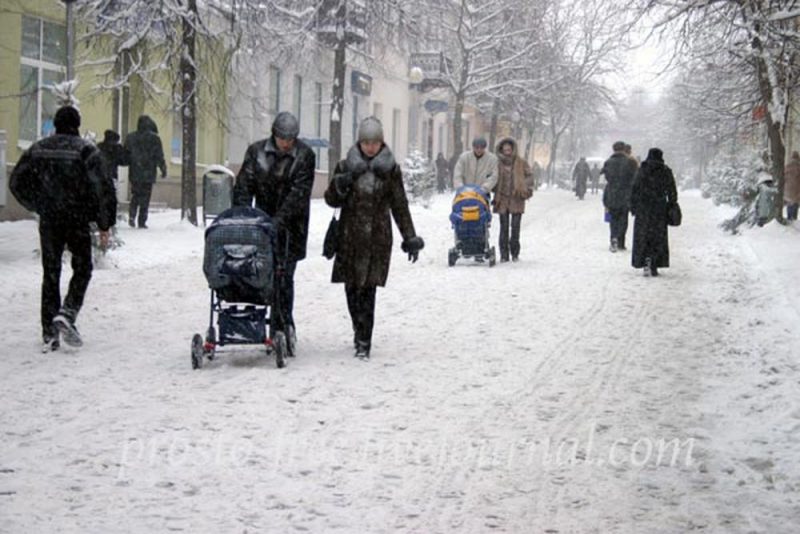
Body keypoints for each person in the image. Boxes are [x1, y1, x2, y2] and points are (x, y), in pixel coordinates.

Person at [9, 106, 117, 352]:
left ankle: (49, 332)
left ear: (56, 124)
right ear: (77, 125)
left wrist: (36, 204)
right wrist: (104, 222)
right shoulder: (85, 151)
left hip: (49, 220)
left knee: (51, 272)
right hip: (76, 219)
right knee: (83, 268)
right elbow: (103, 187)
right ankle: (68, 312)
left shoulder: (38, 149)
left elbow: (16, 181)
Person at [324, 117, 424, 360]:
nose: (371, 147)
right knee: (351, 289)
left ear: (382, 143)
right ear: (360, 142)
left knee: (368, 291)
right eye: (367, 142)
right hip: (350, 237)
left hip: (377, 238)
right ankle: (358, 329)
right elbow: (330, 200)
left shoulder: (390, 169)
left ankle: (363, 341)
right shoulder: (346, 166)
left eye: (375, 142)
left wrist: (409, 236)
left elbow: (399, 204)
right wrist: (340, 185)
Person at [233, 112, 315, 353]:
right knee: (257, 274)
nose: (286, 143)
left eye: (290, 140)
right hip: (260, 226)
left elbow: (299, 194)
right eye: (282, 139)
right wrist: (243, 216)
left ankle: (282, 324)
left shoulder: (304, 156)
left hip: (292, 227)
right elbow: (244, 185)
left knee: (284, 277)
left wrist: (278, 222)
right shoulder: (256, 152)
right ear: (274, 135)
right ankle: (255, 323)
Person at [630, 148, 678, 277]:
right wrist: (671, 204)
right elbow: (672, 190)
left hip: (643, 208)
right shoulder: (665, 171)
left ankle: (644, 259)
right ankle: (655, 263)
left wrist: (633, 206)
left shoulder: (642, 170)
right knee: (657, 237)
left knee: (643, 236)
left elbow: (635, 188)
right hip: (659, 209)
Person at [493, 137, 535, 262]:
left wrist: (524, 186)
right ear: (501, 150)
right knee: (503, 228)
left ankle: (515, 253)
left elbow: (530, 176)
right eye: (505, 149)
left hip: (517, 198)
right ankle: (504, 254)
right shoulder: (497, 163)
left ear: (513, 149)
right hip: (502, 199)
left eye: (509, 149)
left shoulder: (521, 162)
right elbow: (492, 177)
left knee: (515, 227)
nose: (507, 152)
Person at [125, 115, 166, 229]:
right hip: (148, 172)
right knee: (145, 197)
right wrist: (163, 168)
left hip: (135, 172)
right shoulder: (155, 139)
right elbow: (159, 155)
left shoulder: (131, 137)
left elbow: (126, 154)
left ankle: (132, 215)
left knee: (135, 195)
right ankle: (142, 220)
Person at [601, 141, 638, 252]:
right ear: (623, 149)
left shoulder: (608, 162)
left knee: (613, 219)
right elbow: (634, 178)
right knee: (623, 218)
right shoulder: (630, 162)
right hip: (625, 194)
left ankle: (613, 238)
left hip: (612, 193)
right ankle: (621, 241)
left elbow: (605, 175)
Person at [784, 151, 800, 220]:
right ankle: (793, 219)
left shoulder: (787, 166)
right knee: (794, 205)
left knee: (789, 205)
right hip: (796, 191)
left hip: (787, 190)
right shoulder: (799, 167)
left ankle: (789, 218)